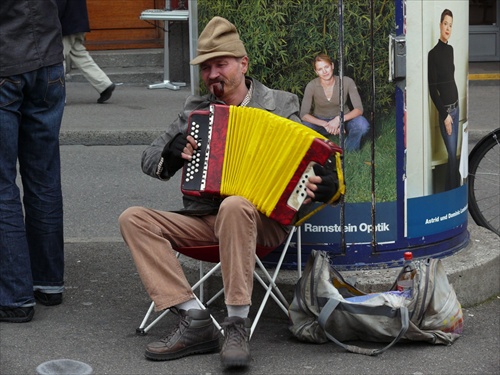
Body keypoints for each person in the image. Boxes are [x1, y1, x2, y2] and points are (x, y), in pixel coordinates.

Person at [118, 16, 340, 368]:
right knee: (132, 219)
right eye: (206, 68)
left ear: (243, 63)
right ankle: (195, 319)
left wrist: (325, 183)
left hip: (262, 223)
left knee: (236, 205)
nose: (212, 75)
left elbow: (316, 161)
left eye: (220, 64)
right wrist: (171, 154)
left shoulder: (281, 105)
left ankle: (237, 323)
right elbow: (148, 159)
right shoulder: (195, 111)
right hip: (205, 220)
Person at [0, 0, 66, 323]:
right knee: (44, 175)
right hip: (48, 59)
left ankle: (14, 295)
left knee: (1, 184)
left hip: (7, 59)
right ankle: (48, 281)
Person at [300, 53, 370, 151]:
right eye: (320, 69)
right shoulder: (311, 86)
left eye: (326, 67)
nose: (324, 71)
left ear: (332, 66)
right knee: (302, 128)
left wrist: (338, 119)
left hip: (344, 118)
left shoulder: (347, 82)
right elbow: (304, 114)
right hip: (320, 121)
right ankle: (320, 147)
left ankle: (350, 149)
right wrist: (325, 124)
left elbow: (359, 109)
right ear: (316, 72)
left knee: (362, 124)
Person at [56, 0, 116, 104]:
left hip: (66, 25)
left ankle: (58, 97)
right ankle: (104, 84)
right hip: (77, 23)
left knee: (58, 58)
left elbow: (58, 6)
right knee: (79, 54)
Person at [428, 9, 460, 191]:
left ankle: (451, 189)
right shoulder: (433, 54)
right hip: (446, 112)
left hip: (457, 107)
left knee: (453, 154)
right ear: (440, 25)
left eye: (450, 25)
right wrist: (445, 115)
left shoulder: (450, 50)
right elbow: (433, 90)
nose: (448, 28)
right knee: (452, 155)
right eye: (445, 23)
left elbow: (451, 79)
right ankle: (451, 191)